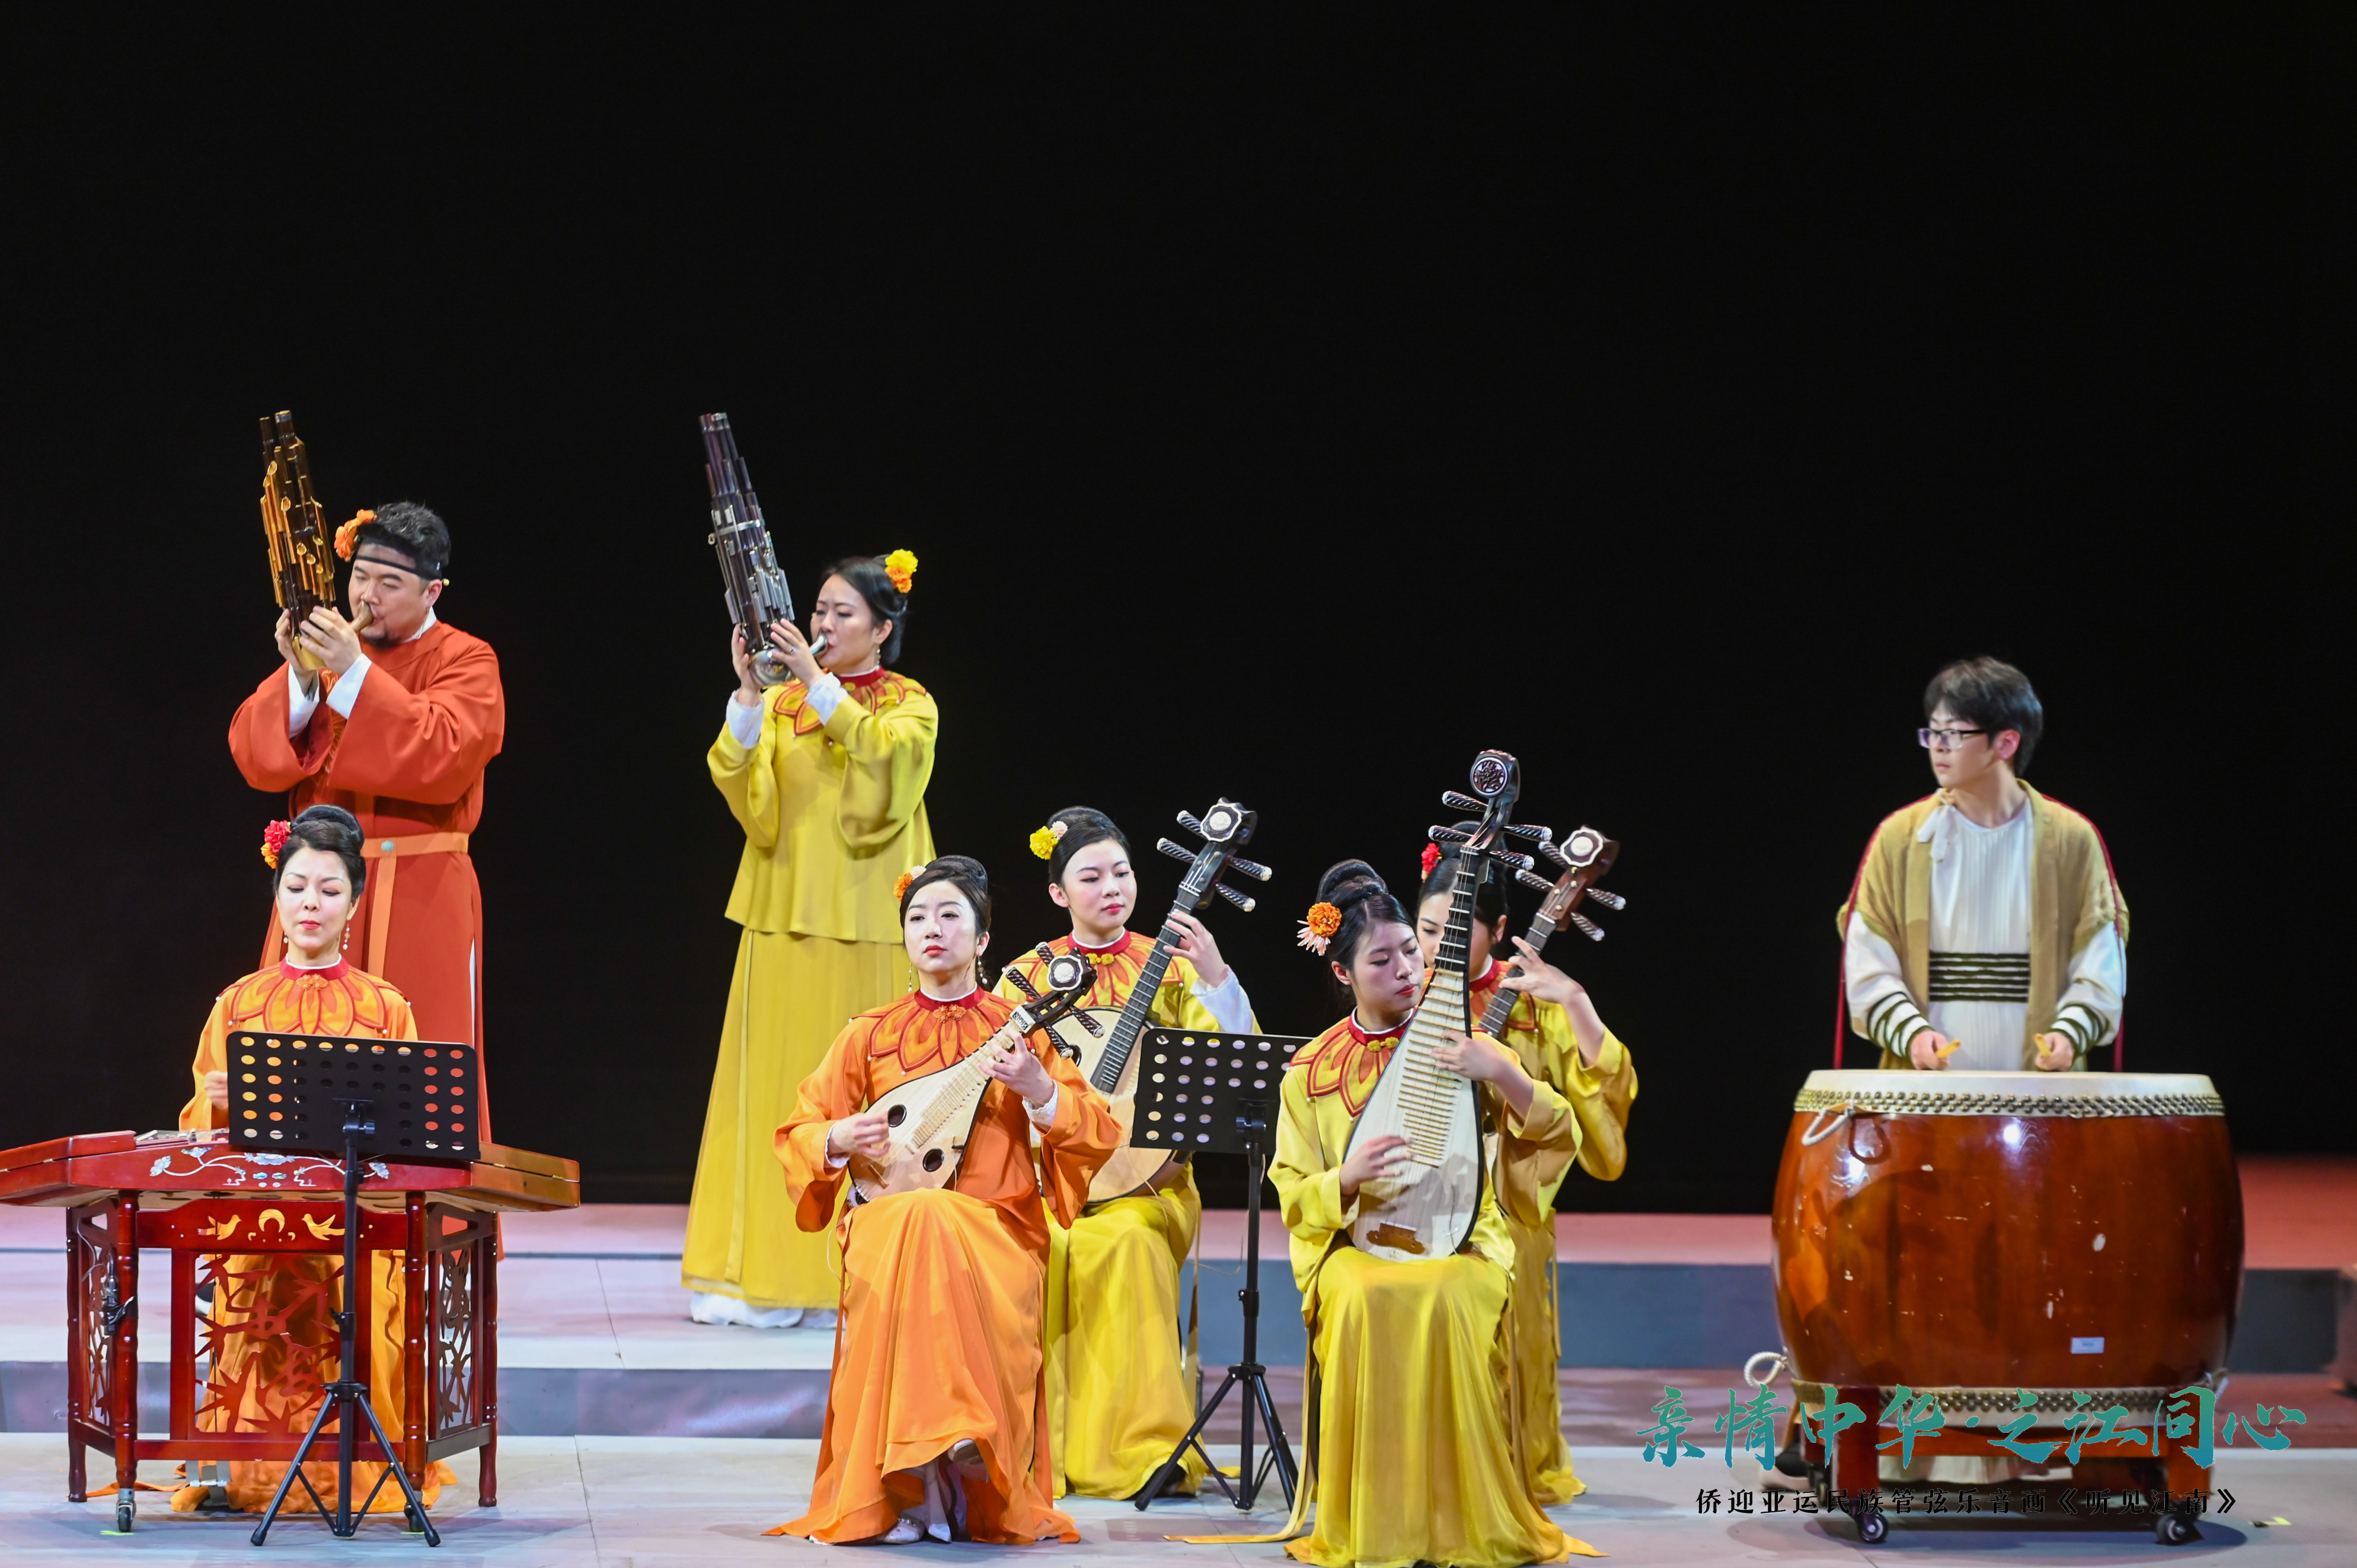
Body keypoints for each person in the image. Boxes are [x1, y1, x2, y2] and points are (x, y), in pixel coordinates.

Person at [767, 857, 1121, 1544]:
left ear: (983, 939)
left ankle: (920, 1485)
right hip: (886, 1226)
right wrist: (839, 1137)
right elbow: (799, 1130)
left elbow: (1097, 1129)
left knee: (931, 1217)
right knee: (920, 1215)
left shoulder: (1021, 1030)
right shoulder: (868, 1032)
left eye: (950, 914)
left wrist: (1038, 1089)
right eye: (918, 917)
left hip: (998, 1232)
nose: (932, 928)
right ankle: (942, 1453)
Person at [1272, 861, 1599, 1566]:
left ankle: (1457, 1520)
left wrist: (1503, 1073)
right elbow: (1292, 1192)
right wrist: (1344, 1179)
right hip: (1353, 1245)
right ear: (1342, 973)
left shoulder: (1463, 1038)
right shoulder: (1311, 1070)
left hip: (1462, 1241)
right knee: (1360, 1296)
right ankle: (1377, 1522)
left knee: (1449, 1296)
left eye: (1410, 952)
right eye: (1380, 959)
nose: (1404, 969)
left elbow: (1556, 1132)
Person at [174, 806, 454, 1515]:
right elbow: (198, 1128)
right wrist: (218, 1103)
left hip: (353, 1222)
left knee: (362, 1299)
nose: (310, 904)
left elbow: (409, 1132)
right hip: (260, 1223)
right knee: (258, 1299)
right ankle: (253, 1472)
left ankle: (360, 1466)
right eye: (296, 887)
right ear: (277, 897)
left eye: (330, 890)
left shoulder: (385, 1006)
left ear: (354, 904)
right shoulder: (238, 1002)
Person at [686, 551, 936, 1329]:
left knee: (872, 1096)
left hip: (869, 922)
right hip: (785, 916)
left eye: (841, 613)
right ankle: (758, 1274)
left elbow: (888, 774)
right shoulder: (785, 700)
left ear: (881, 629)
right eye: (819, 609)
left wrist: (818, 686)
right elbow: (751, 799)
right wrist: (748, 695)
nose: (822, 623)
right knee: (774, 1096)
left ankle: (859, 1277)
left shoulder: (910, 704)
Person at [993, 807, 1256, 1500]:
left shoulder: (1171, 968)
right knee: (1033, 1240)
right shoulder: (1026, 975)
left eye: (1122, 872)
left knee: (1129, 1241)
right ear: (1058, 892)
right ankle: (1031, 1446)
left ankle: (1145, 1448)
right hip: (1046, 1181)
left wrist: (1216, 978)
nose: (1111, 887)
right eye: (1091, 877)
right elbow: (993, 1082)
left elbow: (1238, 1067)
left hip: (1148, 1186)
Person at [226, 502, 504, 1127]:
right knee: (294, 1045)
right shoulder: (327, 659)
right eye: (359, 577)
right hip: (320, 887)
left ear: (432, 591)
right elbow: (255, 757)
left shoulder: (467, 658)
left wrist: (354, 671)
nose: (366, 596)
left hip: (420, 889)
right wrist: (301, 677)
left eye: (390, 583)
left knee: (425, 1070)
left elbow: (443, 754)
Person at [1415, 843, 1637, 1508]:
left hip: (1509, 1205)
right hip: (1413, 1199)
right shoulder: (1405, 990)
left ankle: (1511, 1472)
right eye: (1428, 929)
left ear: (1501, 930)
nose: (1440, 945)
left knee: (1511, 1331)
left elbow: (1600, 1108)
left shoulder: (1533, 1002)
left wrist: (1575, 1000)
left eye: (1459, 930)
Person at [1839, 657, 2128, 1073]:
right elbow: (1868, 960)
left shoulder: (2071, 840)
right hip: (1926, 1094)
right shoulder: (1899, 839)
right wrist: (1913, 1035)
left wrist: (2069, 1034)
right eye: (1933, 732)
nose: (1939, 746)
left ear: (2006, 744)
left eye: (1954, 733)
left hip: (2041, 1096)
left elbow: (2100, 960)